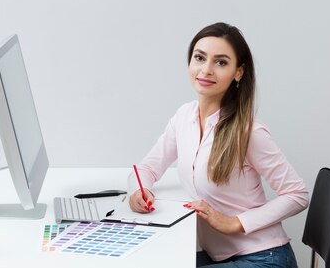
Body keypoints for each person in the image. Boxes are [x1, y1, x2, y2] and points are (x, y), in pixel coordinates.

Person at [128, 22, 308, 267]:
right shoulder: (184, 117)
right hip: (220, 256)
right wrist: (139, 191)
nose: (206, 70)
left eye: (221, 62)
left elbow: (298, 194)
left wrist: (235, 222)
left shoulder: (249, 131)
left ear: (238, 72)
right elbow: (146, 169)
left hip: (265, 259)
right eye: (200, 58)